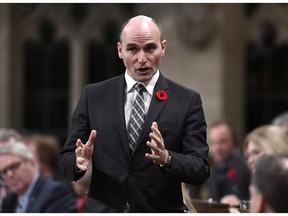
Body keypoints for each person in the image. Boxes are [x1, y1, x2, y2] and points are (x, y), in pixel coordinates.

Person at [58, 15, 210, 213]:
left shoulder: (186, 100)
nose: (142, 58)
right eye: (132, 49)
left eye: (150, 48)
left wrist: (168, 159)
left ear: (163, 47)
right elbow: (64, 162)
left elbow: (200, 170)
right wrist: (78, 163)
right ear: (120, 50)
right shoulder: (94, 96)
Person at [0, 141, 77, 213]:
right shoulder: (9, 201)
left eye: (14, 166)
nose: (9, 174)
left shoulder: (55, 192)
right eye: (4, 171)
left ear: (31, 162)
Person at [207, 121, 250, 206]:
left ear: (233, 141)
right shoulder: (209, 169)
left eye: (222, 142)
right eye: (213, 143)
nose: (217, 148)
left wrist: (240, 203)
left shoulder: (246, 168)